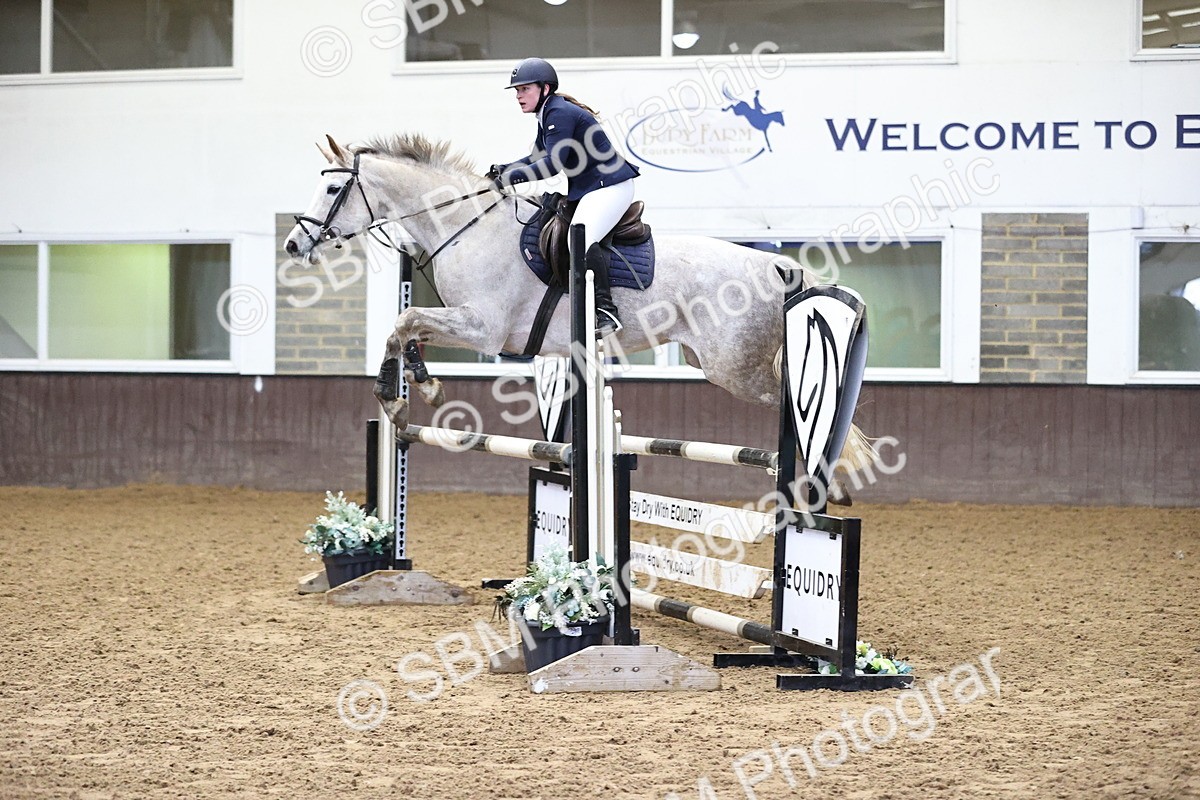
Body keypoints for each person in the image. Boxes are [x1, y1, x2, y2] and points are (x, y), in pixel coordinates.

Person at [489, 57, 640, 335]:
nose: (519, 96)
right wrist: (505, 169)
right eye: (517, 91)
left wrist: (511, 179)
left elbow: (551, 165)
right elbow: (535, 157)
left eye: (525, 89)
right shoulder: (547, 113)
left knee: (579, 237)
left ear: (544, 88)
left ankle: (607, 311)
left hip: (610, 186)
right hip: (594, 186)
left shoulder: (559, 113)